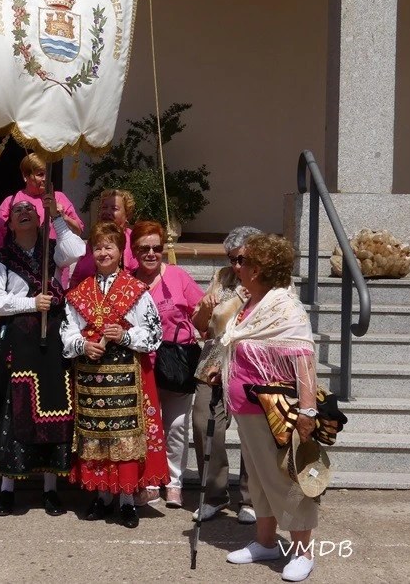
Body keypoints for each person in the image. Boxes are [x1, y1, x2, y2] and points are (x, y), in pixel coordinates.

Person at [218, 234, 320, 583]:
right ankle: (265, 542)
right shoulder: (250, 302)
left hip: (274, 410)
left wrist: (307, 412)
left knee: (284, 479)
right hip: (247, 409)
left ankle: (303, 553)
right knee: (260, 481)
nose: (237, 266)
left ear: (258, 268)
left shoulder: (284, 307)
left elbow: (303, 360)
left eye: (243, 261)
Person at [0, 197, 86, 516]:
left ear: (39, 221)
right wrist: (29, 304)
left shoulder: (54, 249)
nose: (24, 214)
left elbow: (78, 251)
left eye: (30, 211)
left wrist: (58, 217)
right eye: (17, 212)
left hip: (53, 339)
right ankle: (7, 488)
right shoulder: (2, 258)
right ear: (9, 224)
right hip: (19, 340)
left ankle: (50, 489)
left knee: (55, 405)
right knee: (16, 409)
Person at [61, 221, 168, 528]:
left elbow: (154, 333)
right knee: (97, 434)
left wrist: (124, 335)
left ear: (121, 252)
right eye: (98, 247)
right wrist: (83, 345)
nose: (103, 252)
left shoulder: (136, 291)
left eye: (109, 246)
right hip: (92, 378)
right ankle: (102, 495)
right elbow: (67, 330)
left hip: (128, 377)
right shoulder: (80, 291)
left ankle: (125, 500)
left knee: (125, 436)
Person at [130, 221, 207, 508]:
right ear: (134, 250)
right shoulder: (127, 281)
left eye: (157, 248)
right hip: (143, 364)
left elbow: (201, 312)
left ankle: (173, 481)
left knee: (175, 425)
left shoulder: (177, 276)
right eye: (144, 248)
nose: (151, 253)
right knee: (147, 426)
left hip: (177, 361)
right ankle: (150, 480)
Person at [191, 226, 263, 524]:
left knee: (252, 430)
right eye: (231, 258)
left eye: (241, 259)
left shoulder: (274, 282)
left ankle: (251, 497)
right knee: (203, 421)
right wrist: (206, 310)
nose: (236, 266)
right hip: (213, 358)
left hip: (253, 361)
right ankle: (214, 495)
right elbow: (199, 323)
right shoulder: (223, 278)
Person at [0, 153, 84, 238]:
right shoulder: (11, 201)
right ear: (25, 176)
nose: (45, 178)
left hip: (56, 252)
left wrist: (63, 216)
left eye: (47, 174)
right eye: (40, 174)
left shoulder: (59, 197)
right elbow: (1, 235)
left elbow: (78, 231)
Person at [70, 188, 139, 287]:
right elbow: (77, 276)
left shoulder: (134, 239)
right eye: (104, 207)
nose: (107, 212)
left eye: (114, 208)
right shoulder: (94, 239)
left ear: (127, 215)